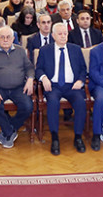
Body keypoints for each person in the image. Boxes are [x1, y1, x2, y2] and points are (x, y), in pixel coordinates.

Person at [36, 23, 87, 155]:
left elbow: (83, 69)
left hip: (72, 86)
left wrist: (80, 81)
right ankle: (55, 138)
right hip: (53, 86)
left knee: (81, 103)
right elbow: (38, 69)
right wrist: (43, 78)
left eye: (65, 33)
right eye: (60, 34)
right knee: (53, 103)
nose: (63, 36)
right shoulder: (45, 50)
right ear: (53, 36)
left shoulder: (75, 49)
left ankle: (78, 137)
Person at [0, 27, 34, 148]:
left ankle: (8, 130)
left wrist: (30, 79)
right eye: (2, 37)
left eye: (8, 37)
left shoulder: (21, 51)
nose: (5, 40)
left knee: (28, 106)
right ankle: (9, 132)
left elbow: (29, 67)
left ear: (13, 38)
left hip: (18, 88)